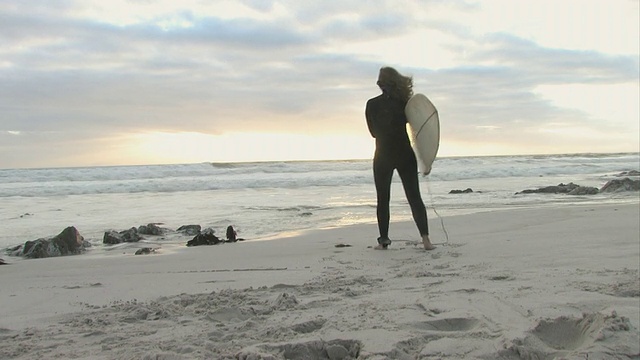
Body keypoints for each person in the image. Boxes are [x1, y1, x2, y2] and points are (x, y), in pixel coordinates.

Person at [365, 66, 435, 251]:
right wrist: (426, 160)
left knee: (383, 199)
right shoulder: (405, 103)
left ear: (380, 83)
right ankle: (426, 240)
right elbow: (419, 129)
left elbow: (373, 133)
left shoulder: (371, 104)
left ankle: (384, 241)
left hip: (383, 156)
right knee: (414, 197)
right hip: (405, 154)